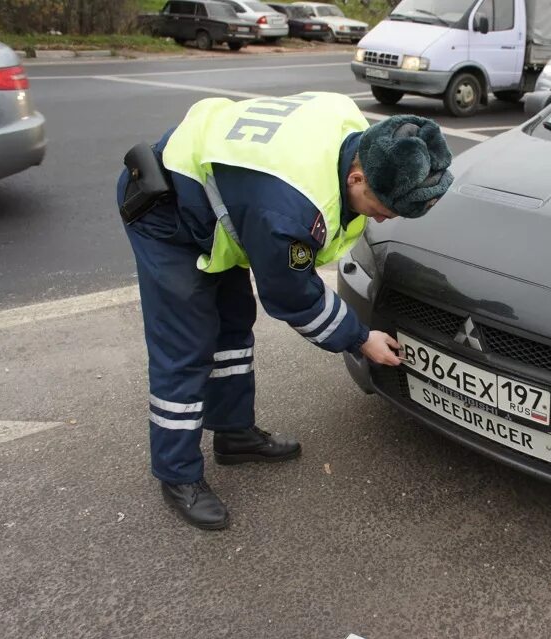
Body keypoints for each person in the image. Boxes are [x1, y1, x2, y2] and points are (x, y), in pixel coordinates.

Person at [116, 92, 453, 530]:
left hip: (226, 202)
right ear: (356, 178)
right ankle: (176, 475)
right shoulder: (289, 211)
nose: (385, 220)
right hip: (169, 214)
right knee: (186, 348)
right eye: (382, 210)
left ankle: (233, 434)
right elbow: (293, 295)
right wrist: (358, 338)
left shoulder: (354, 129)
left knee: (233, 327)